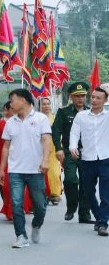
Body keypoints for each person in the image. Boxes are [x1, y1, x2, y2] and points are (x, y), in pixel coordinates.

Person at [0, 88, 53, 248]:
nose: (11, 103)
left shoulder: (41, 119)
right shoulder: (10, 122)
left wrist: (45, 161)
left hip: (35, 169)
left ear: (23, 100)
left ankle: (36, 225)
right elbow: (5, 147)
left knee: (40, 205)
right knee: (16, 203)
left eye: (13, 100)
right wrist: (2, 169)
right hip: (15, 170)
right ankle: (21, 235)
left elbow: (46, 140)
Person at [70, 86, 109, 236]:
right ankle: (100, 218)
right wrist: (73, 146)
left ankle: (103, 223)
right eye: (92, 97)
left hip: (105, 158)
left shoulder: (107, 116)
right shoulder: (81, 116)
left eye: (98, 98)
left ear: (105, 100)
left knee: (105, 193)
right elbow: (74, 133)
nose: (94, 100)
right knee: (88, 192)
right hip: (87, 158)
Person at [53, 82, 93, 224]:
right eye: (77, 96)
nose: (80, 99)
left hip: (89, 153)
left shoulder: (91, 112)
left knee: (87, 183)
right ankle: (71, 207)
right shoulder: (64, 112)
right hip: (70, 152)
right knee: (70, 179)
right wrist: (58, 148)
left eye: (82, 96)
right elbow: (56, 131)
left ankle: (84, 214)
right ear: (71, 97)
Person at [39, 97, 61, 204]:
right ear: (40, 106)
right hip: (41, 148)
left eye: (48, 104)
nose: (46, 106)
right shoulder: (37, 118)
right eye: (44, 104)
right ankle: (44, 194)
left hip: (54, 147)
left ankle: (55, 194)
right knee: (43, 172)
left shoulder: (56, 118)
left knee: (55, 172)